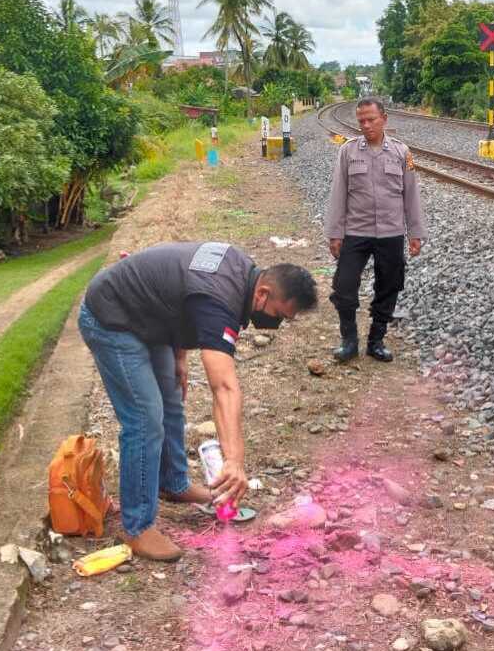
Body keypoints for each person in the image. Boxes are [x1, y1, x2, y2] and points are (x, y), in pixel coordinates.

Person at [78, 242, 318, 560]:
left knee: (172, 400)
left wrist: (180, 355)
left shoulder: (241, 273)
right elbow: (224, 387)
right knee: (145, 418)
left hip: (148, 319)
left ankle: (173, 483)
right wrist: (234, 460)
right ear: (262, 294)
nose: (277, 323)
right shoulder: (221, 300)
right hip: (112, 318)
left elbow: (180, 297)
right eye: (278, 315)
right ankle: (138, 528)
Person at [324, 97, 427, 363]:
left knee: (389, 286)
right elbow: (338, 195)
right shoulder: (348, 152)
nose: (366, 125)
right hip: (356, 232)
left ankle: (376, 340)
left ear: (384, 119)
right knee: (344, 285)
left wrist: (415, 233)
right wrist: (335, 234)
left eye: (371, 120)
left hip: (391, 233)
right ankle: (349, 340)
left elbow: (411, 196)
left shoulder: (402, 153)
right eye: (361, 121)